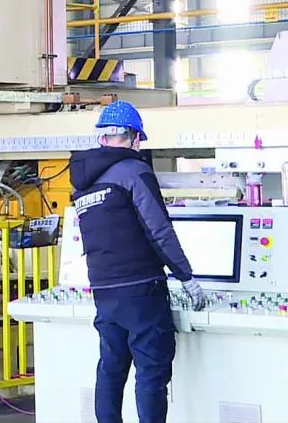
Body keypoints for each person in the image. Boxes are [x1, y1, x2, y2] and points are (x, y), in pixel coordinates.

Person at [69, 101, 206, 423]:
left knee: (111, 368)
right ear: (133, 137)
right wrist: (186, 276)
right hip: (141, 289)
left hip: (103, 288)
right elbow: (159, 229)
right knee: (151, 372)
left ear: (102, 137)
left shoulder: (82, 184)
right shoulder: (134, 171)